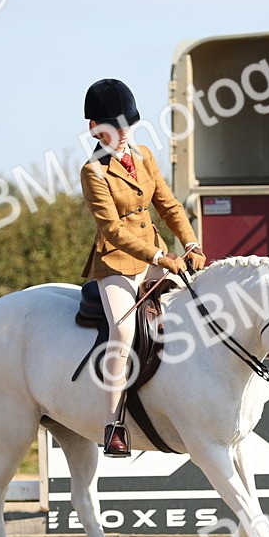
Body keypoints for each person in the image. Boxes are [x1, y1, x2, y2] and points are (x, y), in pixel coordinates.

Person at [79, 79, 206, 457]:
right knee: (122, 331)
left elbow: (168, 205)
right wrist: (157, 258)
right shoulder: (93, 171)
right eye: (113, 129)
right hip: (117, 263)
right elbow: (113, 229)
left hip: (157, 253)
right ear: (94, 129)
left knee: (198, 298)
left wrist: (192, 242)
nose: (122, 135)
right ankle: (113, 424)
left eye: (126, 126)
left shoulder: (146, 155)